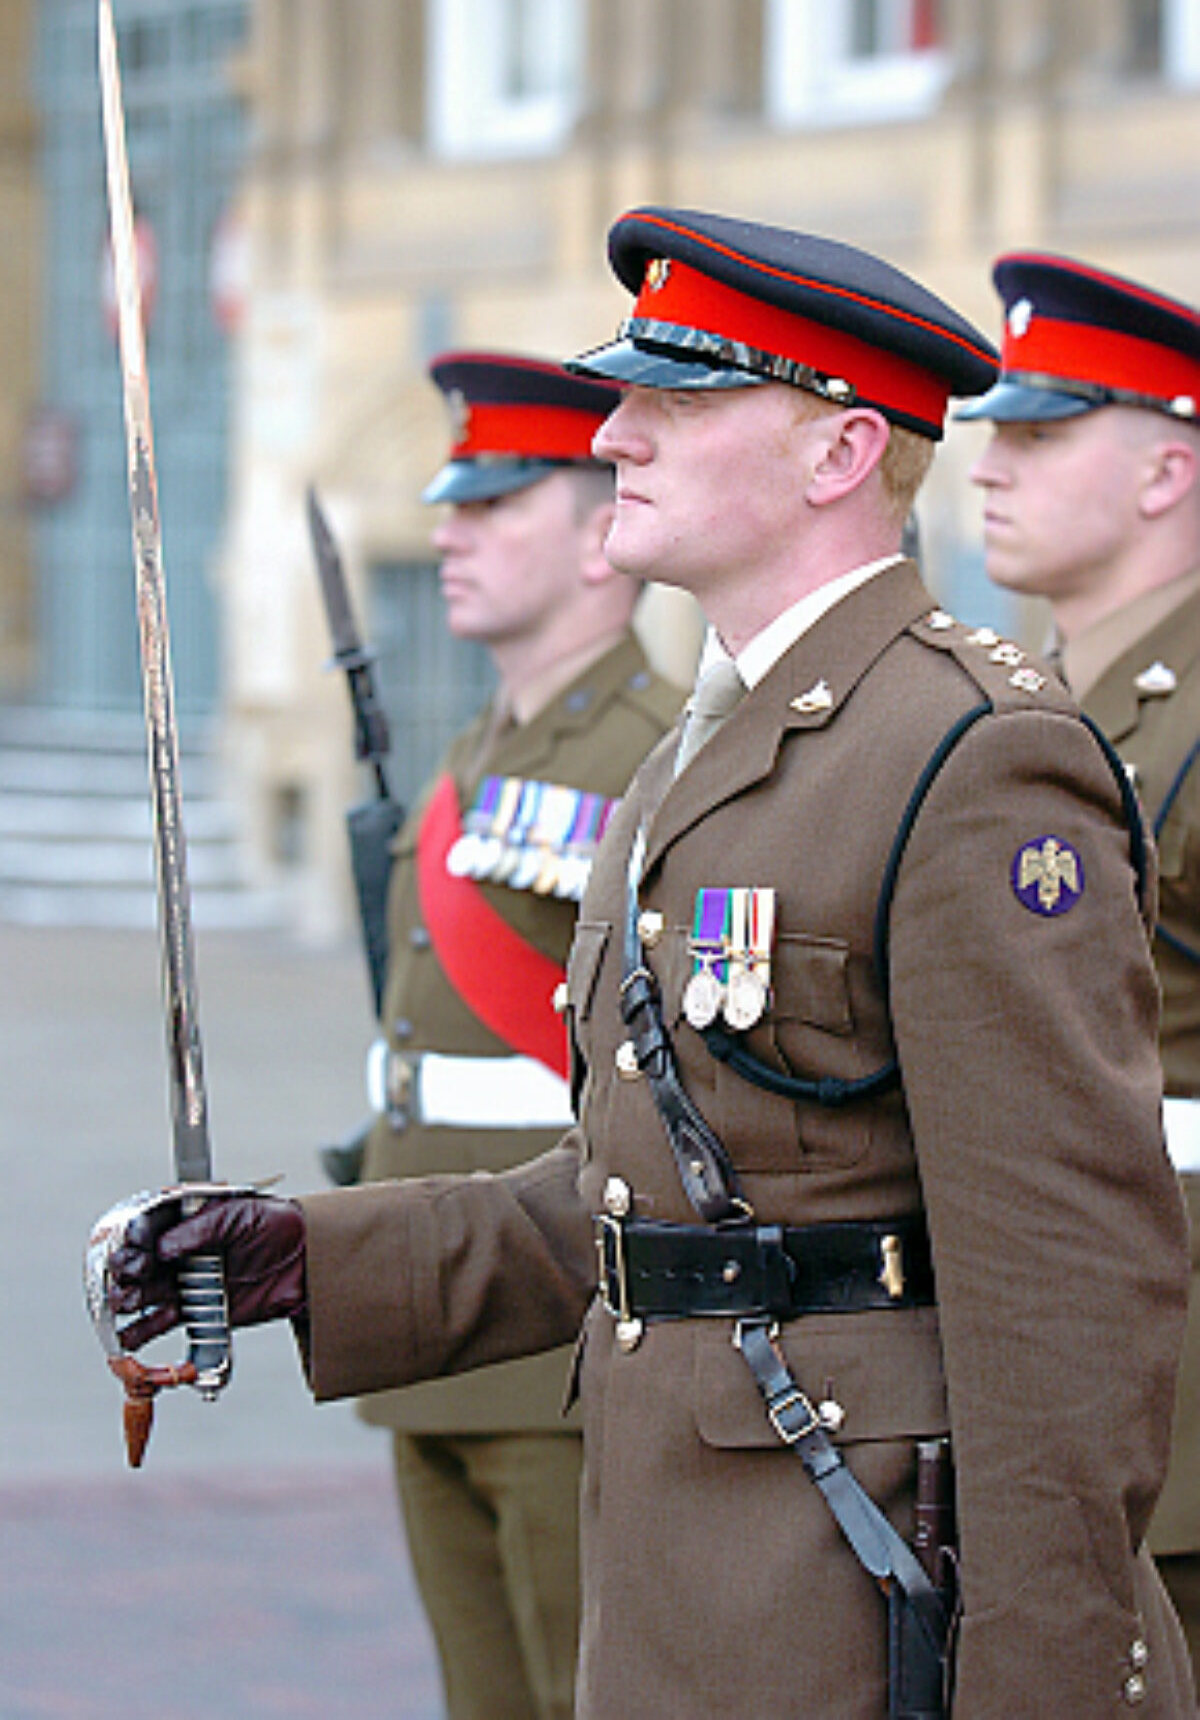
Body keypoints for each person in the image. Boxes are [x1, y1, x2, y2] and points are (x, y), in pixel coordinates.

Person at [107, 209, 1195, 1717]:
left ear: (836, 455)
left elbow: (1066, 1287)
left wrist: (1046, 1686)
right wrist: (308, 1256)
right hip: (688, 1582)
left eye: (676, 402)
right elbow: (656, 1200)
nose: (612, 435)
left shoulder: (972, 755)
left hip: (858, 1601)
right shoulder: (708, 750)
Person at [353, 350, 683, 1720]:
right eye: (451, 501)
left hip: (561, 1330)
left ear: (606, 529)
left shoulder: (661, 757)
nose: (448, 530)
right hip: (427, 1313)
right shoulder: (468, 757)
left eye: (494, 503)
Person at [960, 250, 1200, 1683]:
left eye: (1042, 435)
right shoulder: (1020, 700)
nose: (991, 467)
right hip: (1043, 1348)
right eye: (992, 431)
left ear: (1169, 472)